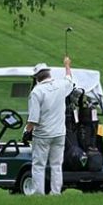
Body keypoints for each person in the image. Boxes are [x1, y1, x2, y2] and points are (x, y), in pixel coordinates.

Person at [24, 56, 73, 195]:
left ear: (37, 78)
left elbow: (33, 119)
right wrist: (67, 65)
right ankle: (55, 193)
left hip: (43, 135)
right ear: (49, 73)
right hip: (59, 134)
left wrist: (25, 132)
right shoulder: (61, 85)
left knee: (39, 166)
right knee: (56, 165)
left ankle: (39, 194)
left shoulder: (36, 92)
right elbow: (69, 79)